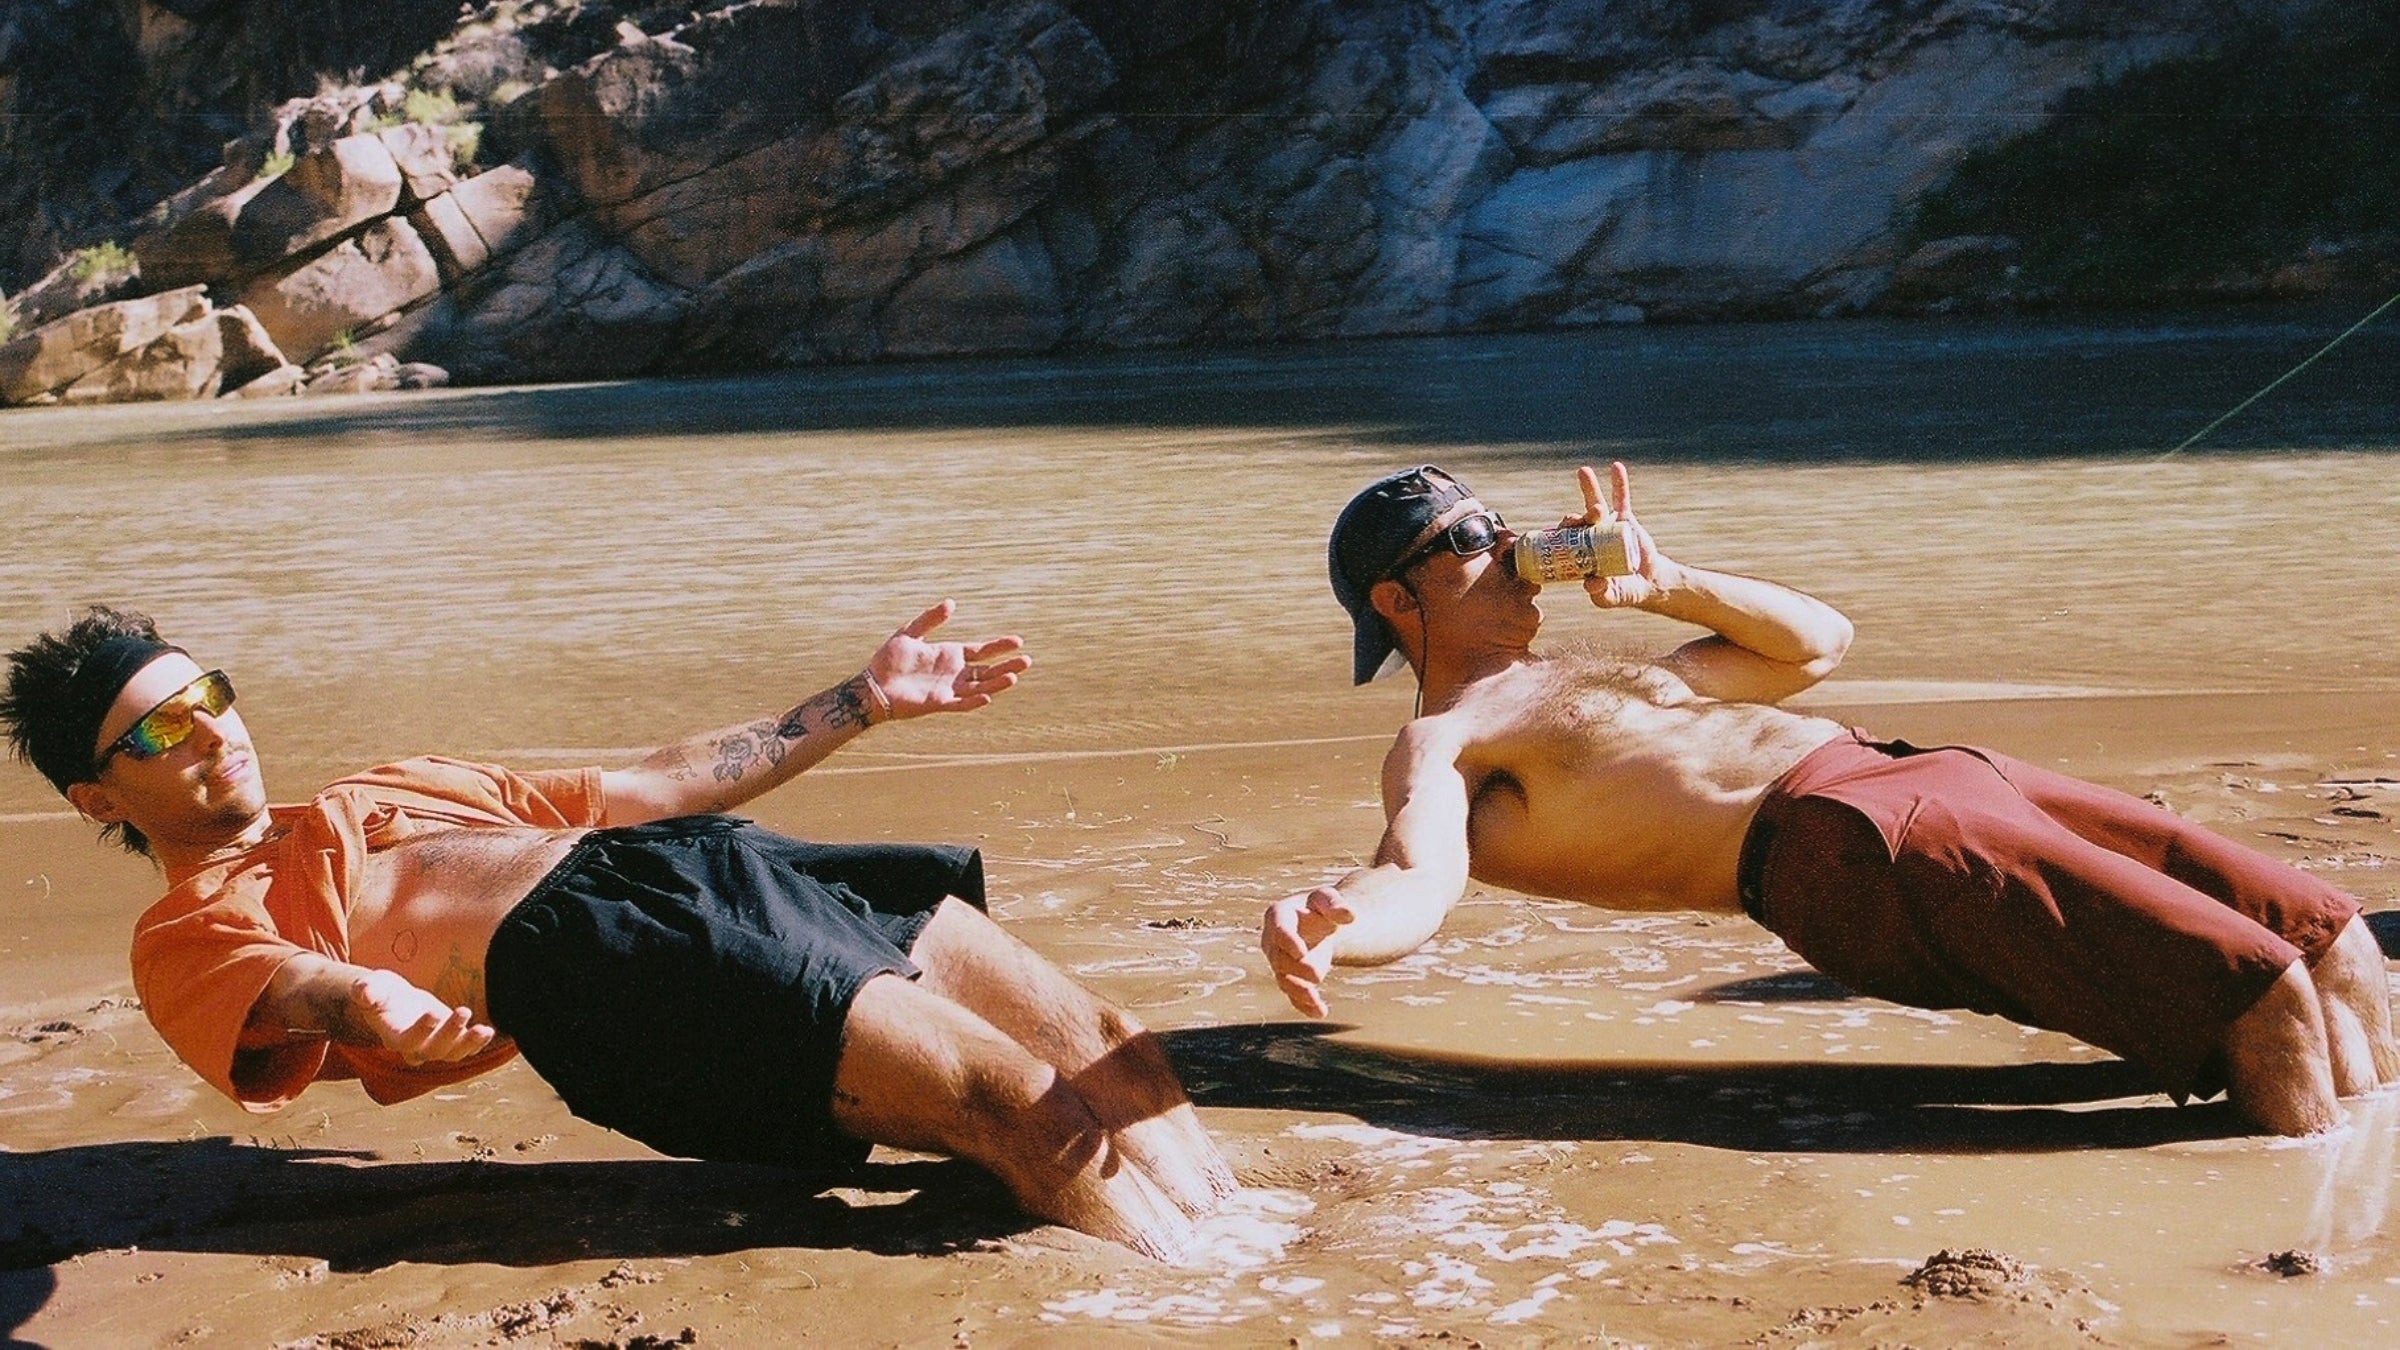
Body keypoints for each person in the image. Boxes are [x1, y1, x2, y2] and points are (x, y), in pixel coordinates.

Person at [3, 601, 1231, 1259]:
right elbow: (290, 988)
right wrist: (366, 1007)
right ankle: (1196, 1295)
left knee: (1107, 1045)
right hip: (607, 959)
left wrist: (858, 702)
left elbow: (649, 785)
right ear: (99, 799)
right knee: (1014, 1103)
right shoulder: (186, 929)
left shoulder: (378, 787)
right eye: (161, 731)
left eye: (208, 694)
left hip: (700, 867)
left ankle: (1244, 1231)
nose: (214, 730)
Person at [1261, 462, 2400, 1136]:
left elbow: (1816, 644)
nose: (1506, 542)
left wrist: (1662, 585)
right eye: (1467, 538)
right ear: (1398, 599)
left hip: (1922, 775)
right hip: (1844, 837)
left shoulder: (1599, 672)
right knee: (2260, 996)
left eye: (1498, 521)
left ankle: (2361, 1167)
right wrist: (1338, 924)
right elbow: (1418, 873)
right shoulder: (1447, 739)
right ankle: (2303, 1231)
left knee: (2331, 938)